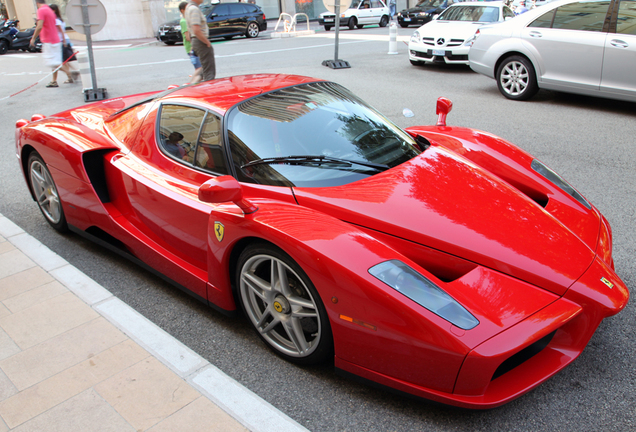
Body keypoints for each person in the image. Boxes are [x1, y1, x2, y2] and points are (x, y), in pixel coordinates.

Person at [30, 0, 72, 88]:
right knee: (54, 62)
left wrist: (33, 38)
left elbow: (39, 26)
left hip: (48, 40)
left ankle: (70, 73)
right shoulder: (49, 10)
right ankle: (54, 81)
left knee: (52, 62)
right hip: (55, 39)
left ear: (37, 3)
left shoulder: (41, 10)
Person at [185, 0, 216, 81]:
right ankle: (205, 89)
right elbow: (196, 30)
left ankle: (193, 86)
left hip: (195, 40)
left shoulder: (188, 8)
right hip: (200, 41)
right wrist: (207, 42)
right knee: (209, 71)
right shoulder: (194, 9)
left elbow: (189, 29)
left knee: (203, 69)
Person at [49, 4, 79, 82]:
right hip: (64, 40)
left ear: (54, 10)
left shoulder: (55, 20)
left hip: (60, 41)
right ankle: (70, 76)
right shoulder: (60, 19)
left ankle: (70, 73)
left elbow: (60, 31)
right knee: (64, 60)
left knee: (57, 62)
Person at [179, 1, 202, 84]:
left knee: (200, 68)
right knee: (200, 69)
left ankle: (192, 84)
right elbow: (188, 36)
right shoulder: (184, 21)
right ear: (182, 10)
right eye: (187, 8)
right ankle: (190, 85)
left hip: (192, 47)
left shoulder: (185, 20)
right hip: (191, 47)